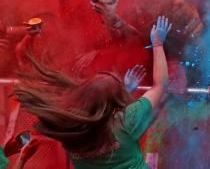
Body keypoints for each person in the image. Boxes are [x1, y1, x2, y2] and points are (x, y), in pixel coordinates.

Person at [14, 16, 172, 168]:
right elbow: (160, 85)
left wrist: (122, 91)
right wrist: (158, 44)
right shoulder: (126, 120)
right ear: (113, 104)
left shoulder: (70, 131)